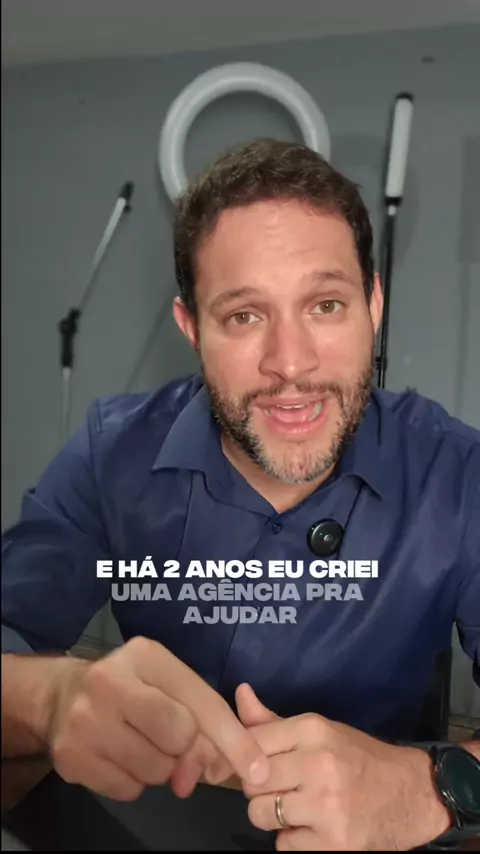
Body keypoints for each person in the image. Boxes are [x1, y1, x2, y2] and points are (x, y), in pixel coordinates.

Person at [2, 138, 479, 851]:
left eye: (325, 305)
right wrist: (49, 698)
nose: (291, 364)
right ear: (192, 327)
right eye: (244, 316)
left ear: (373, 305)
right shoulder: (112, 454)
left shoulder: (458, 473)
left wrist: (429, 789)